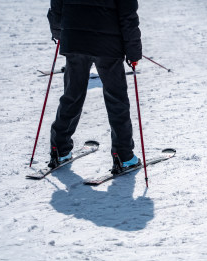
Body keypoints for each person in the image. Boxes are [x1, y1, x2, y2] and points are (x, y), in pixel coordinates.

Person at [46, 0, 142, 174]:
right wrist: (133, 52)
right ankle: (124, 156)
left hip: (75, 40)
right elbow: (128, 16)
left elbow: (57, 6)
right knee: (116, 99)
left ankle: (59, 150)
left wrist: (59, 33)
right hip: (107, 46)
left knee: (72, 95)